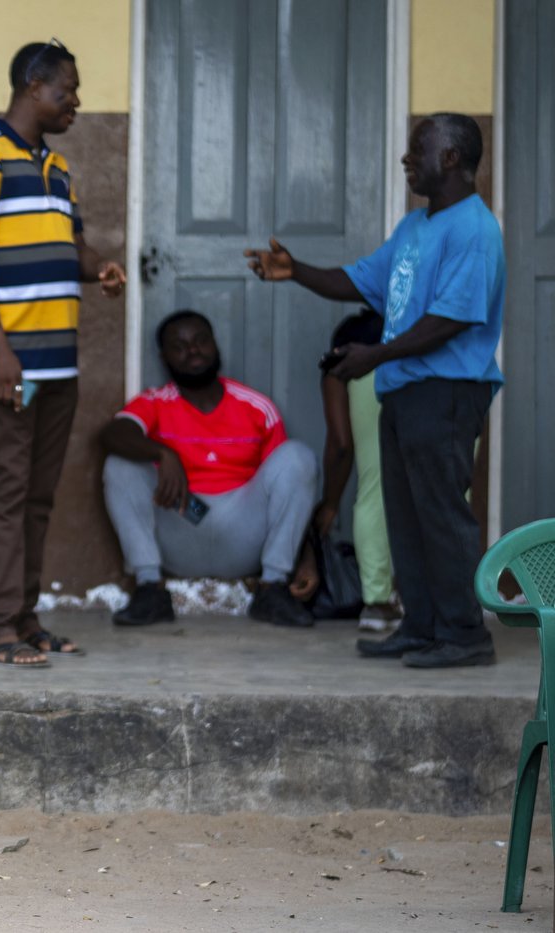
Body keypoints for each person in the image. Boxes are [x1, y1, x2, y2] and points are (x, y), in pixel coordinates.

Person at [245, 112, 503, 668]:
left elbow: (452, 318)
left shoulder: (474, 229)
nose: (407, 158)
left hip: (447, 391)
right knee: (404, 516)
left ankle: (464, 636)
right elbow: (361, 280)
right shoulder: (415, 227)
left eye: (417, 149)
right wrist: (296, 270)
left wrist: (374, 356)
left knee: (441, 515)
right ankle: (421, 627)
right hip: (404, 389)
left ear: (450, 158)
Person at [0, 38, 127, 667]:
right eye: (66, 90)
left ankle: (24, 620)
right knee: (7, 491)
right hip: (11, 364)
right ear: (32, 86)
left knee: (37, 497)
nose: (75, 102)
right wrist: (0, 351)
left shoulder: (58, 168)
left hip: (58, 363)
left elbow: (70, 246)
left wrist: (99, 267)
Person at [101, 310, 318, 628]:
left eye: (201, 341)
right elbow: (113, 434)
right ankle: (149, 588)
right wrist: (163, 453)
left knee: (298, 457)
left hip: (244, 528)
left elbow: (291, 488)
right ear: (165, 357)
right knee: (120, 464)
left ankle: (273, 587)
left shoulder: (255, 406)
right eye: (179, 346)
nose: (193, 351)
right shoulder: (156, 401)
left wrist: (307, 557)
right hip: (184, 518)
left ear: (215, 345)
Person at [315, 308, 400, 631]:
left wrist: (330, 503)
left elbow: (341, 445)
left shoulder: (350, 342)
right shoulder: (425, 329)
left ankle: (377, 603)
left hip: (370, 383)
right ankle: (447, 603)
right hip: (442, 384)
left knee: (374, 489)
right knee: (448, 495)